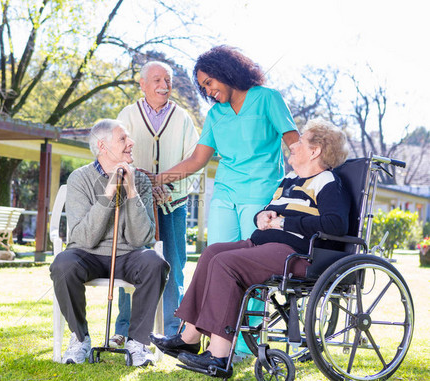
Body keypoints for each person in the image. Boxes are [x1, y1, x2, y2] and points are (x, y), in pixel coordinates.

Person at [150, 118, 350, 375]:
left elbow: (335, 224)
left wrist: (284, 222)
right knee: (212, 253)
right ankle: (189, 337)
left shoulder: (327, 182)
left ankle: (219, 355)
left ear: (315, 151)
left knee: (226, 263)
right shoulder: (289, 180)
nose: (293, 144)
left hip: (297, 254)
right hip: (265, 246)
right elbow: (270, 212)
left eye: (301, 141)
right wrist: (262, 217)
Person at [151, 45, 299, 355]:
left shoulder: (267, 98)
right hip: (225, 194)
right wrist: (158, 179)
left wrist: (308, 182)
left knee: (251, 267)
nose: (208, 90)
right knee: (216, 262)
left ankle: (244, 344)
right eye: (203, 86)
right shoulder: (215, 114)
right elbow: (197, 159)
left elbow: (293, 143)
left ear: (228, 71)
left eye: (210, 82)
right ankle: (204, 336)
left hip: (259, 194)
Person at [49, 119, 170, 366]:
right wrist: (108, 194)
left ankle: (137, 343)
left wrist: (132, 191)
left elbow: (141, 239)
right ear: (103, 146)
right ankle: (80, 339)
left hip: (129, 256)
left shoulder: (142, 181)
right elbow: (84, 238)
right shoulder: (79, 179)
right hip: (87, 255)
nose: (131, 143)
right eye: (123, 139)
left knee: (154, 262)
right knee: (63, 264)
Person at [109, 61, 201, 345]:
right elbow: (115, 154)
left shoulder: (183, 117)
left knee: (174, 265)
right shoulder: (127, 115)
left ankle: (174, 330)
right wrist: (143, 183)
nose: (164, 85)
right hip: (135, 206)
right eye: (157, 79)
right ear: (143, 84)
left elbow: (194, 159)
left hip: (173, 203)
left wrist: (164, 184)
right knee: (131, 264)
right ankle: (123, 330)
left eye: (168, 80)